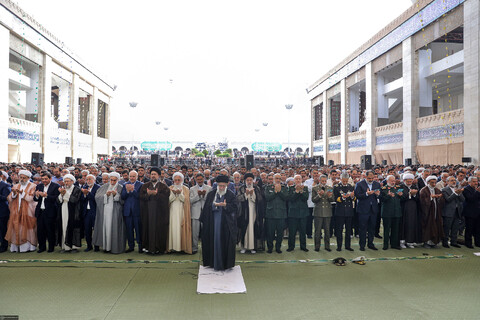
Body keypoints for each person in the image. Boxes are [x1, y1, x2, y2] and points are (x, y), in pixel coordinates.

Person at [200, 175, 238, 271]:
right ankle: (212, 263)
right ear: (217, 185)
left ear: (227, 185)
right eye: (220, 186)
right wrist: (214, 206)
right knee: (213, 240)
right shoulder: (211, 194)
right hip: (213, 222)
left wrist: (226, 206)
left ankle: (225, 264)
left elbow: (235, 208)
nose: (221, 188)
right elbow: (206, 208)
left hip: (226, 223)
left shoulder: (231, 194)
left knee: (224, 242)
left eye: (223, 186)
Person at [139, 167, 170, 254]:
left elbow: (166, 198)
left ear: (159, 176)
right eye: (151, 174)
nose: (153, 176)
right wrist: (148, 194)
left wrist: (157, 195)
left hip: (159, 214)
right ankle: (148, 248)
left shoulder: (164, 187)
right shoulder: (145, 186)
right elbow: (141, 197)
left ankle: (159, 248)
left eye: (154, 174)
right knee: (147, 229)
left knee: (159, 230)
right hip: (147, 214)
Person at [93, 172, 126, 253]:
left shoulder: (121, 187)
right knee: (105, 228)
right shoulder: (104, 187)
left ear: (118, 180)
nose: (113, 182)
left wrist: (116, 195)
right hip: (105, 211)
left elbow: (123, 200)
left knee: (114, 228)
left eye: (115, 180)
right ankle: (106, 247)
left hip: (115, 212)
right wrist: (106, 195)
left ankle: (113, 247)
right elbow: (97, 197)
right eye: (111, 180)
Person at [5, 170, 38, 252]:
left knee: (28, 228)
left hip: (28, 211)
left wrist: (22, 193)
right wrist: (14, 194)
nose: (22, 179)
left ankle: (28, 247)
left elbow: (31, 198)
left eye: (24, 178)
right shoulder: (16, 185)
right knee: (16, 227)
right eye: (21, 177)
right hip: (16, 210)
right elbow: (9, 198)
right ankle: (16, 248)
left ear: (28, 178)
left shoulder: (33, 186)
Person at [237, 172, 264, 253]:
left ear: (253, 180)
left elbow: (260, 199)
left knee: (253, 228)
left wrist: (253, 195)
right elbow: (238, 198)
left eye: (250, 180)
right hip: (244, 212)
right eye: (247, 180)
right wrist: (246, 194)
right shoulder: (241, 188)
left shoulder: (257, 188)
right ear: (245, 180)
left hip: (254, 211)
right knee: (244, 228)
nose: (249, 182)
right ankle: (243, 247)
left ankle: (252, 247)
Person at [33, 172, 60, 253]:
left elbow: (57, 198)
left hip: (50, 211)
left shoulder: (55, 186)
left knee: (50, 230)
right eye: (43, 179)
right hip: (40, 211)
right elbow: (35, 199)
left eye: (46, 179)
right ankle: (42, 247)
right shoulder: (39, 186)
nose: (44, 180)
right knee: (40, 231)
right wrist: (37, 195)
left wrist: (46, 196)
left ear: (50, 179)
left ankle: (51, 247)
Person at [354, 170, 381, 251]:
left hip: (373, 209)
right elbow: (357, 195)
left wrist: (378, 194)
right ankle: (362, 245)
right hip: (363, 209)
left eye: (372, 178)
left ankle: (370, 243)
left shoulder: (377, 184)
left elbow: (380, 196)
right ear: (365, 177)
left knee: (372, 227)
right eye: (369, 178)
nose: (371, 179)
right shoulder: (359, 184)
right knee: (363, 228)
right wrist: (366, 194)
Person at [168, 172, 192, 254]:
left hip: (182, 211)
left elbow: (186, 201)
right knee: (173, 228)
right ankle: (172, 247)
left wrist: (179, 194)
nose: (177, 182)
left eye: (179, 180)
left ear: (182, 180)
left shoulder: (185, 189)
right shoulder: (170, 188)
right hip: (172, 211)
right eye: (175, 180)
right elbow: (168, 201)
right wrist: (174, 194)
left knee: (180, 228)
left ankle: (182, 248)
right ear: (173, 180)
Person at [57, 174, 82, 252]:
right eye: (65, 181)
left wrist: (65, 194)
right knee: (64, 227)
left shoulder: (77, 189)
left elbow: (74, 200)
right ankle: (65, 246)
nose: (66, 183)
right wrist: (61, 194)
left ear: (72, 181)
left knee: (73, 228)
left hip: (73, 212)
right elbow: (58, 201)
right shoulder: (63, 189)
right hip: (64, 209)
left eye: (68, 181)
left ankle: (74, 246)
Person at [264, 173, 288, 254]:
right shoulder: (268, 187)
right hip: (271, 214)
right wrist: (275, 192)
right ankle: (270, 247)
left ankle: (278, 247)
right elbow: (267, 198)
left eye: (279, 178)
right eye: (276, 178)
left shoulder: (284, 188)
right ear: (273, 179)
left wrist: (280, 191)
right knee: (270, 232)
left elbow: (286, 198)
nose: (278, 180)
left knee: (280, 233)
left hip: (281, 213)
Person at [121, 171, 143, 253]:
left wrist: (133, 190)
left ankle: (140, 246)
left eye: (134, 176)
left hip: (137, 211)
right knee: (129, 230)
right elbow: (122, 197)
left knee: (138, 230)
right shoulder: (124, 185)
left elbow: (140, 197)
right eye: (131, 176)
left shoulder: (141, 185)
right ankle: (131, 246)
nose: (132, 178)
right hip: (128, 212)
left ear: (137, 177)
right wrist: (127, 191)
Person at [419, 175, 445, 248]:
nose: (434, 184)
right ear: (428, 182)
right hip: (428, 213)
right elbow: (422, 202)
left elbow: (442, 200)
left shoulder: (437, 190)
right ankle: (426, 242)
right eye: (432, 183)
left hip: (436, 212)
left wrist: (439, 198)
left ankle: (434, 242)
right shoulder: (423, 190)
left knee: (436, 226)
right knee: (428, 227)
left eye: (434, 183)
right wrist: (431, 197)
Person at [286, 175, 309, 252]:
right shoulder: (290, 188)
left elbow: (305, 198)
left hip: (303, 213)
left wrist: (301, 191)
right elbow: (291, 199)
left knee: (303, 231)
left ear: (302, 180)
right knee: (292, 231)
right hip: (293, 213)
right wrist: (296, 191)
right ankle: (291, 246)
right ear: (294, 180)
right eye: (296, 179)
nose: (298, 180)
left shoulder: (305, 188)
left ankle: (303, 246)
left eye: (299, 179)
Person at [379, 175, 403, 250]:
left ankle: (394, 244)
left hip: (396, 211)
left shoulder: (398, 188)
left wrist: (401, 196)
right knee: (386, 229)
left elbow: (402, 199)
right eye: (391, 181)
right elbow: (381, 199)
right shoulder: (383, 189)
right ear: (387, 181)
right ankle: (385, 245)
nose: (393, 182)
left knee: (395, 229)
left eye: (394, 181)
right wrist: (388, 196)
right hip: (387, 212)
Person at [332, 173, 355, 251]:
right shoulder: (336, 187)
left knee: (348, 230)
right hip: (340, 211)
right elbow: (334, 198)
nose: (345, 182)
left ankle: (348, 246)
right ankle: (339, 246)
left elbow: (354, 198)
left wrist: (352, 196)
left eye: (346, 181)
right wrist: (342, 198)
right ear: (341, 179)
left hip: (349, 211)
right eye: (344, 181)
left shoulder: (351, 186)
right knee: (339, 230)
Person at [190, 173, 212, 254]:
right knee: (195, 232)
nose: (200, 181)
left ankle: (206, 248)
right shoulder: (192, 189)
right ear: (196, 180)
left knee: (206, 232)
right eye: (198, 179)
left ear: (203, 179)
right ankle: (194, 248)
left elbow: (210, 200)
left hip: (206, 213)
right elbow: (190, 201)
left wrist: (204, 195)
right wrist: (198, 196)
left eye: (201, 179)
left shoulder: (209, 188)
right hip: (195, 213)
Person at [441, 176, 464, 248]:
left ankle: (453, 242)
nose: (454, 182)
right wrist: (455, 194)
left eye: (454, 180)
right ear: (447, 182)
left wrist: (459, 193)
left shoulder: (457, 189)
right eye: (451, 180)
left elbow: (463, 199)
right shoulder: (444, 190)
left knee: (455, 228)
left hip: (457, 211)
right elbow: (448, 199)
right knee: (447, 228)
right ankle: (445, 242)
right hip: (448, 212)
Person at [312, 174, 334, 251]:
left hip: (327, 212)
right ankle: (317, 246)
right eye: (322, 181)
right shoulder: (315, 188)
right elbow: (313, 200)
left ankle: (327, 246)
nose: (324, 182)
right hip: (318, 211)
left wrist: (329, 196)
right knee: (317, 231)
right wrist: (319, 195)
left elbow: (332, 200)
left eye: (325, 181)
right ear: (319, 181)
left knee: (327, 231)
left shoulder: (330, 188)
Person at [399, 173, 421, 248]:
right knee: (403, 224)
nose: (409, 183)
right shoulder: (400, 187)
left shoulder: (414, 187)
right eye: (408, 181)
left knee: (411, 224)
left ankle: (410, 241)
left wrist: (414, 195)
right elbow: (400, 198)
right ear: (404, 181)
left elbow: (418, 199)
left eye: (410, 181)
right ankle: (402, 241)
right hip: (403, 209)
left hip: (412, 209)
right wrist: (409, 194)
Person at [81, 174, 100, 252]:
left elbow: (96, 199)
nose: (88, 181)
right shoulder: (84, 187)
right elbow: (81, 199)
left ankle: (97, 246)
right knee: (87, 230)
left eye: (90, 179)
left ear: (94, 180)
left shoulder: (98, 187)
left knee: (96, 230)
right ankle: (89, 246)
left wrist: (88, 193)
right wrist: (84, 195)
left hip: (95, 211)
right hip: (86, 212)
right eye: (87, 179)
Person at [462, 176, 480, 249]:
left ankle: (478, 242)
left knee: (478, 228)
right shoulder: (466, 189)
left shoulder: (477, 189)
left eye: (476, 181)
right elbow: (470, 199)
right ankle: (468, 243)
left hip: (478, 212)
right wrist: (477, 192)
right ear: (469, 182)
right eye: (474, 182)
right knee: (469, 228)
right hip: (470, 212)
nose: (476, 183)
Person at [0, 177, 12, 252]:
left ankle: (4, 246)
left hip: (2, 211)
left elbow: (7, 198)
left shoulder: (5, 185)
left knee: (2, 229)